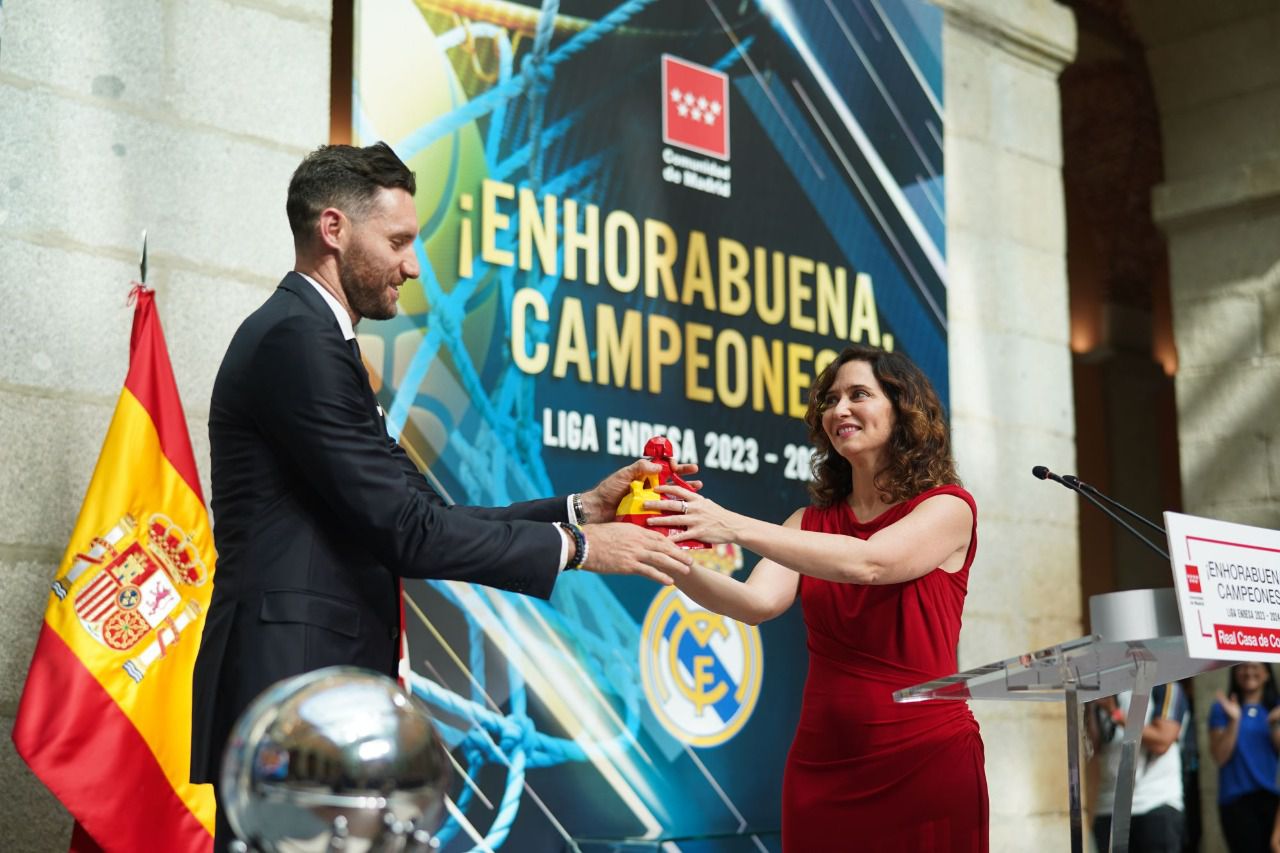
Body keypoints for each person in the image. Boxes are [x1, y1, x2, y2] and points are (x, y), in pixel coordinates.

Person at [189, 142, 693, 850]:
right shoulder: (298, 341)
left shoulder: (319, 342)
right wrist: (579, 550)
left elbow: (426, 516)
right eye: (397, 240)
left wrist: (578, 510)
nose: (413, 265)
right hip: (294, 690)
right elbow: (407, 531)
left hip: (320, 692)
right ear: (333, 229)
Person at [648, 344, 987, 851]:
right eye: (830, 400)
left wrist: (731, 525)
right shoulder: (810, 524)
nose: (839, 410)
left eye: (858, 395)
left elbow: (870, 563)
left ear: (903, 410)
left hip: (924, 757)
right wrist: (662, 551)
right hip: (824, 761)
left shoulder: (947, 508)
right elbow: (753, 603)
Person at [1087, 684, 1189, 852]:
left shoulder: (1165, 683)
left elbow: (1162, 741)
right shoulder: (1101, 685)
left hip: (1154, 802)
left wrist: (1116, 714)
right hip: (1108, 806)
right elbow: (1093, 748)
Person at [1208, 662, 1280, 851]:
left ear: (1266, 673)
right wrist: (1234, 720)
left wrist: (1274, 724)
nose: (1249, 672)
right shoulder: (1221, 709)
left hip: (1272, 798)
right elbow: (1220, 757)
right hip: (1236, 801)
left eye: (1255, 667)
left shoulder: (1275, 708)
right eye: (1242, 667)